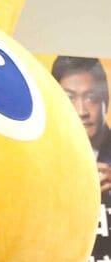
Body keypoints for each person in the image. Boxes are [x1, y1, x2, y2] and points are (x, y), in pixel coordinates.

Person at [52, 55, 111, 203]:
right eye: (69, 98)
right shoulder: (41, 156)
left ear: (106, 101)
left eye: (91, 98)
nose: (81, 111)